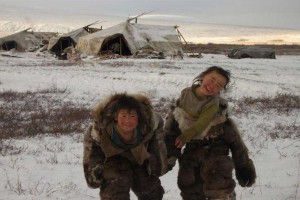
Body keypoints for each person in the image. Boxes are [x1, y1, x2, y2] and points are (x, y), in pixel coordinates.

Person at [164, 66, 256, 200]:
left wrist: (244, 168)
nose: (213, 85)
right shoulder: (183, 101)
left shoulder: (220, 117)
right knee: (190, 189)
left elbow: (237, 145)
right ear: (203, 76)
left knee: (220, 191)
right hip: (191, 157)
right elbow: (171, 135)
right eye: (212, 79)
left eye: (219, 85)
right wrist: (165, 160)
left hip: (218, 159)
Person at [83, 93, 168, 200]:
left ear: (139, 117)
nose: (127, 121)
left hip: (139, 156)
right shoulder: (100, 129)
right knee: (115, 186)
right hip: (113, 157)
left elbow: (158, 133)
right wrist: (93, 171)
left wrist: (157, 162)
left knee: (149, 188)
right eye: (123, 116)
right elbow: (91, 147)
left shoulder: (148, 124)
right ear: (115, 117)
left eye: (132, 116)